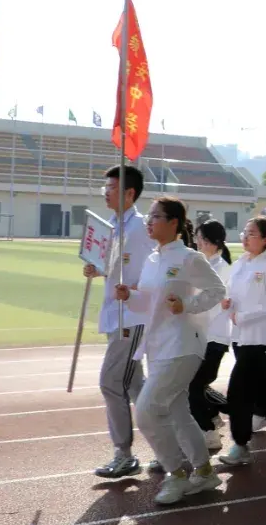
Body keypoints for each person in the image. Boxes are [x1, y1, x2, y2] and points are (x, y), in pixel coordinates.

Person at [115, 196, 227, 505]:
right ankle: (204, 472)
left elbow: (217, 290)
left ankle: (175, 473)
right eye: (149, 216)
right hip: (158, 345)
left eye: (155, 216)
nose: (149, 221)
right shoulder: (152, 260)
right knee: (179, 412)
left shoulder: (189, 258)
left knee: (148, 409)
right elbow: (151, 304)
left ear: (174, 222)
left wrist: (187, 305)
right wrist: (130, 296)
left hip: (184, 344)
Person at [84, 165, 157, 479]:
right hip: (116, 315)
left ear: (130, 192)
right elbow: (115, 265)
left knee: (111, 382)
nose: (105, 191)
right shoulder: (110, 224)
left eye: (111, 186)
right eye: (105, 187)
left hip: (133, 318)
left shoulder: (139, 229)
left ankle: (124, 454)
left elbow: (146, 275)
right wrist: (97, 269)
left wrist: (132, 292)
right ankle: (171, 446)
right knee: (139, 389)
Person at [219, 218, 266, 467]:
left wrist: (245, 316)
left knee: (238, 392)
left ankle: (240, 444)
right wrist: (227, 303)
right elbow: (231, 292)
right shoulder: (240, 264)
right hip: (241, 338)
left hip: (261, 340)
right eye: (245, 233)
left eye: (252, 234)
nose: (246, 237)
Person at [189, 220, 232, 450]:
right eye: (197, 238)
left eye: (202, 240)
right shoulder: (200, 264)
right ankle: (216, 414)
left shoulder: (222, 269)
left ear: (214, 243)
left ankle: (209, 429)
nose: (198, 243)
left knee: (194, 385)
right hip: (199, 335)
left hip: (214, 337)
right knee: (196, 384)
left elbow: (216, 305)